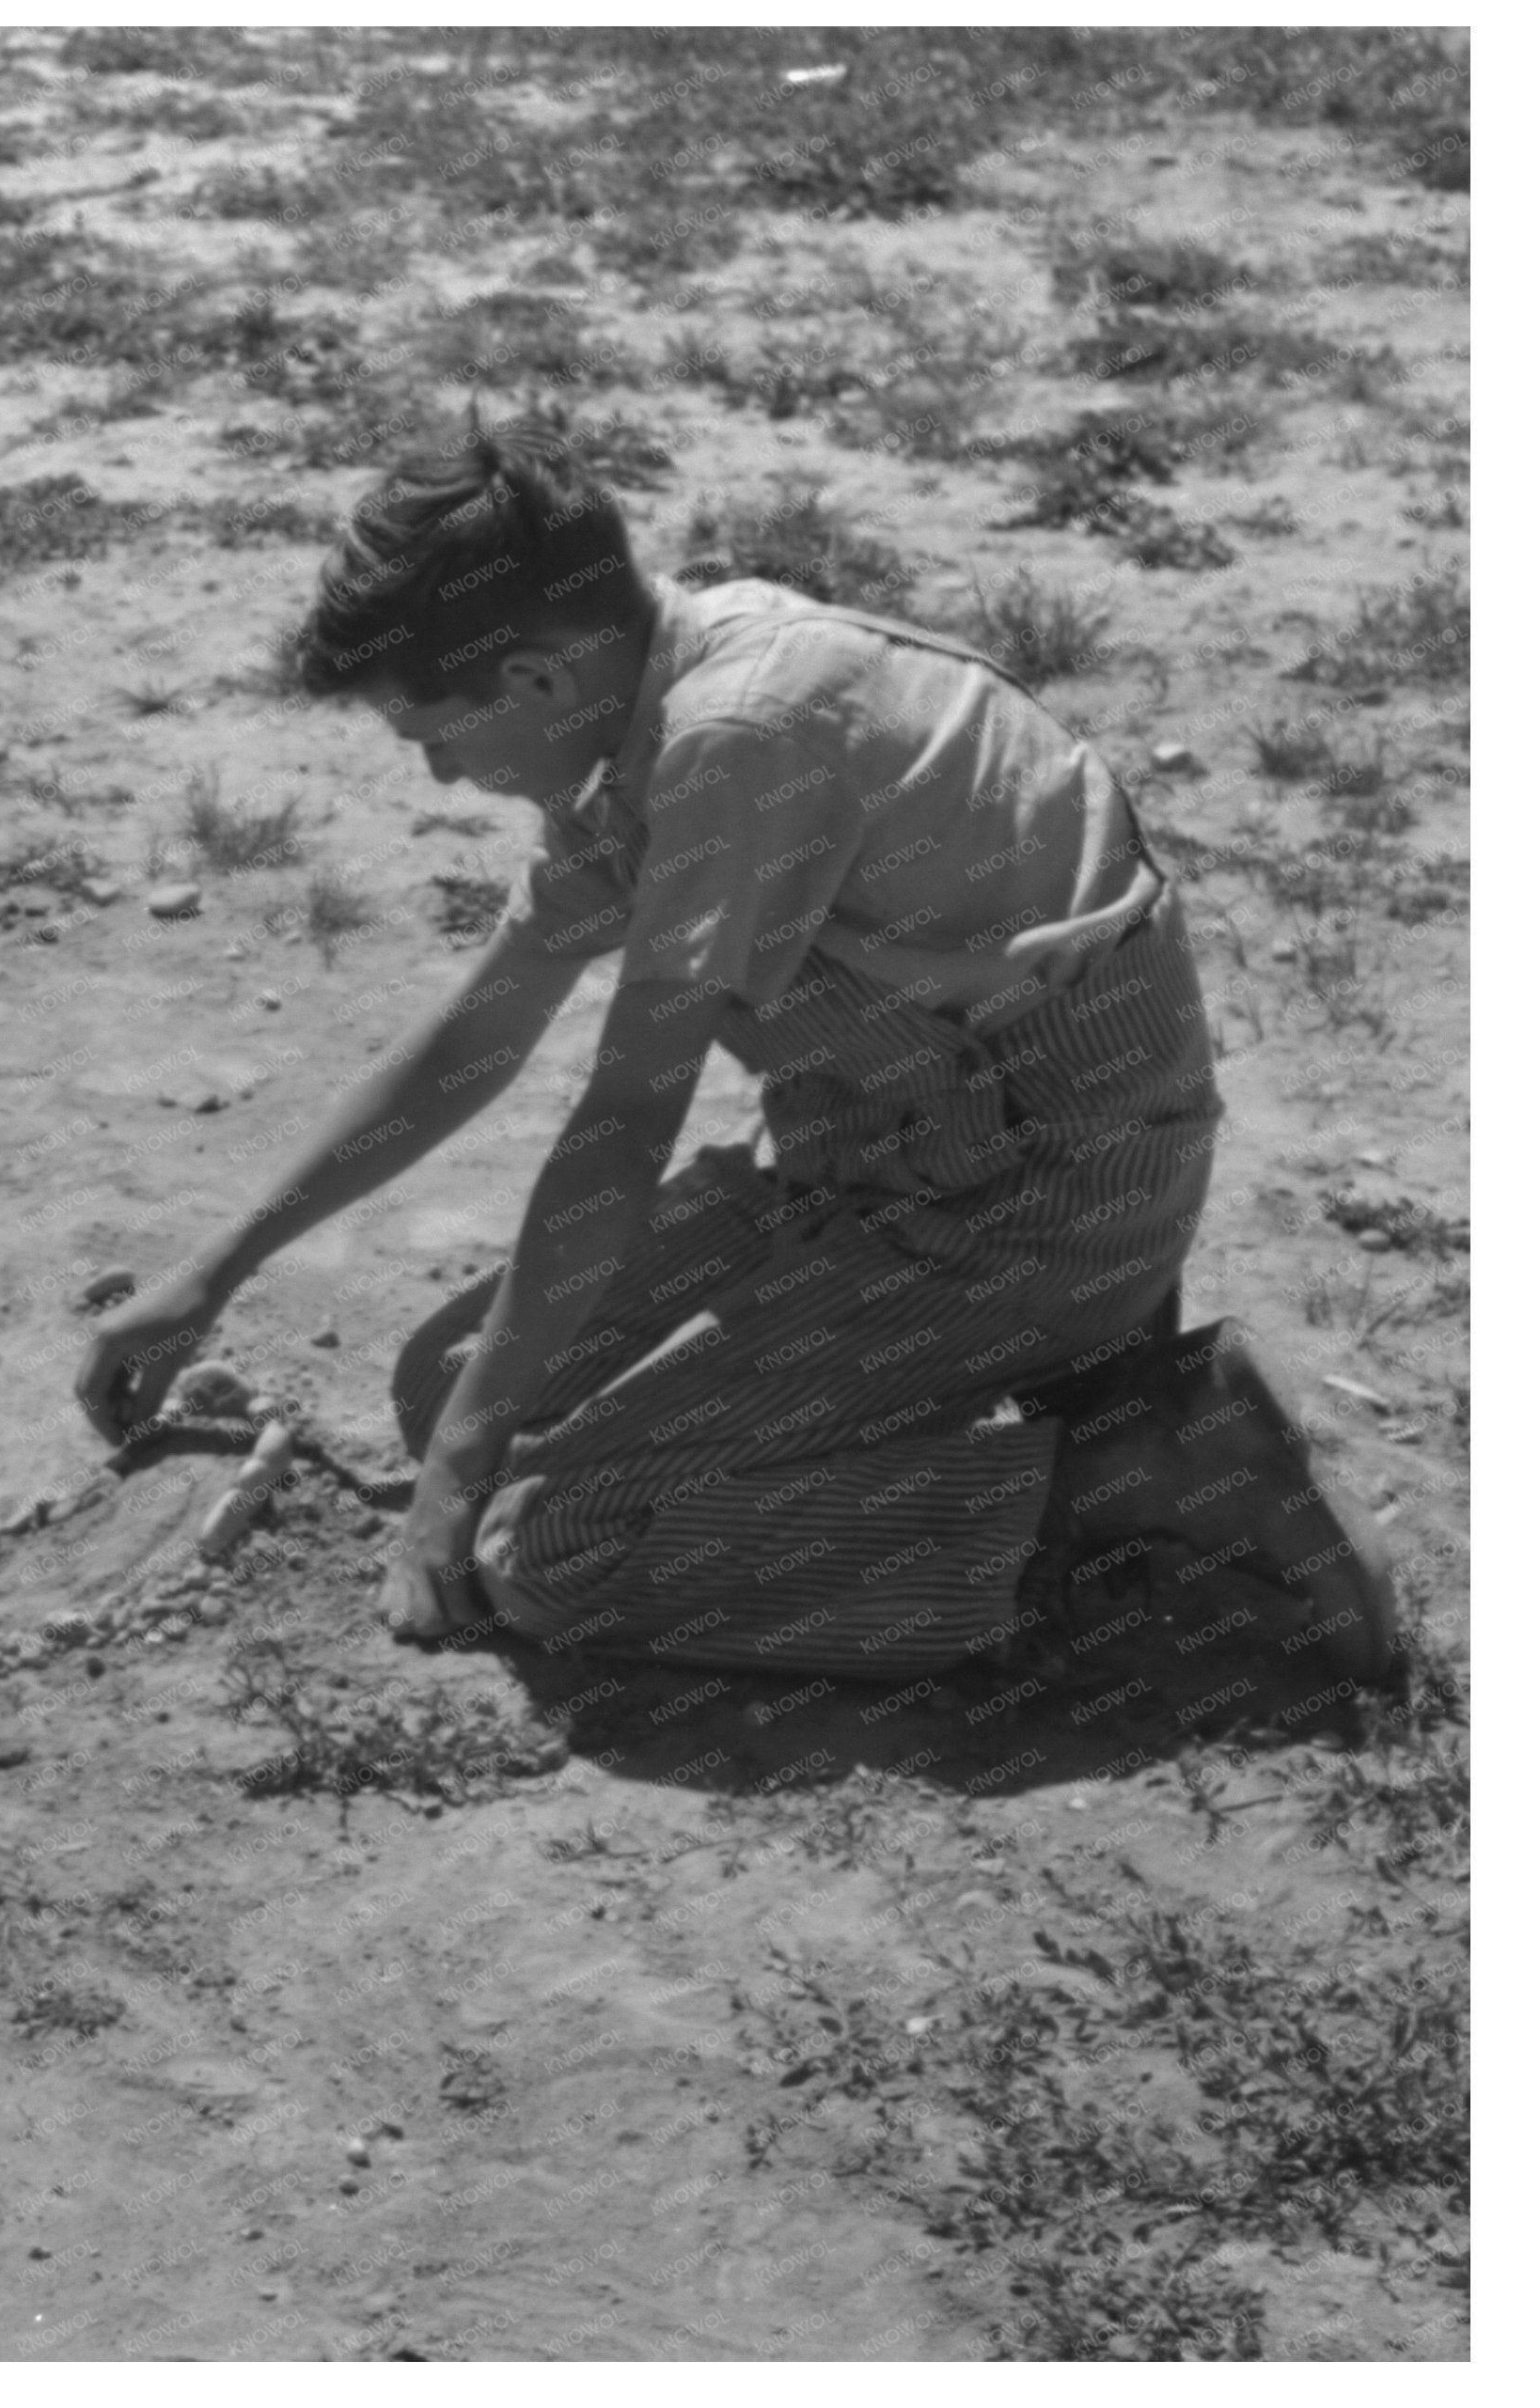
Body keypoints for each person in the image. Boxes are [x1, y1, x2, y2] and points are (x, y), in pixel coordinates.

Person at [74, 425, 1401, 1689]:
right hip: (885, 1166)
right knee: (444, 1384)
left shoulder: (738, 737)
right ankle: (1016, 1411)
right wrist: (212, 1274)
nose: (435, 778)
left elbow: (622, 1116)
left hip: (1038, 1206)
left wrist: (459, 1482)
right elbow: (477, 1034)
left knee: (553, 1546)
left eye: (434, 737)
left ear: (533, 677)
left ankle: (1135, 1477)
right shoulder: (648, 700)